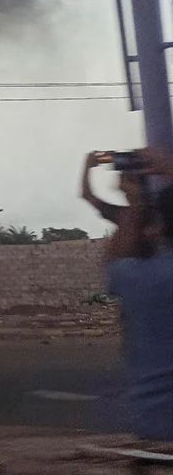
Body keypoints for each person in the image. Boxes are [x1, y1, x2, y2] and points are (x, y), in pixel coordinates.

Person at [99, 148, 173, 439]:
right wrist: (169, 169)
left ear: (161, 227)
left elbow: (113, 264)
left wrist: (135, 205)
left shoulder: (138, 278)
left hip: (155, 426)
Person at [82, 151, 127, 224]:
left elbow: (86, 194)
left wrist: (87, 165)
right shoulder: (127, 215)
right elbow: (87, 195)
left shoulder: (128, 216)